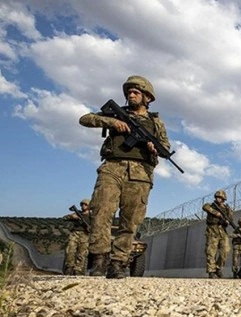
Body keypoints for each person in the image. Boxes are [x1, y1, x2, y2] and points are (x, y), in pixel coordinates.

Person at [79, 75, 170, 279]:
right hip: (112, 167)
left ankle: (118, 262)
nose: (131, 95)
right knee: (101, 211)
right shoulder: (118, 114)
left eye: (136, 92)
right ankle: (99, 260)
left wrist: (154, 148)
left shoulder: (156, 122)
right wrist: (111, 122)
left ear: (147, 97)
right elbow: (85, 119)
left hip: (141, 173)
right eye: (129, 92)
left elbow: (165, 147)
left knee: (130, 221)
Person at [202, 190, 234, 279]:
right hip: (212, 229)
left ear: (224, 199)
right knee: (211, 251)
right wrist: (217, 213)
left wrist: (227, 221)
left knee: (226, 250)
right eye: (217, 197)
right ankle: (211, 271)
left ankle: (218, 268)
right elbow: (205, 207)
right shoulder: (211, 206)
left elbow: (230, 218)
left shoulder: (227, 208)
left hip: (222, 230)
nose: (218, 199)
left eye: (220, 197)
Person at [62, 199, 90, 275]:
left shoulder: (92, 216)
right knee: (70, 251)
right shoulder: (77, 214)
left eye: (85, 204)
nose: (83, 206)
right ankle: (69, 268)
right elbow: (64, 218)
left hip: (85, 235)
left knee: (82, 254)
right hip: (74, 234)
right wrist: (72, 216)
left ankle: (78, 271)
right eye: (82, 204)